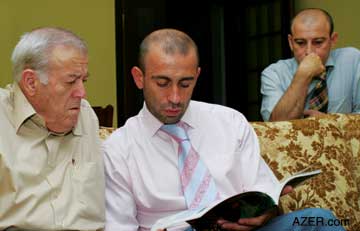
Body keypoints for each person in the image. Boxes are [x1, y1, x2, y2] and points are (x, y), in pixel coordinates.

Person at [103, 28, 344, 231]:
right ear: (138, 78)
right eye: (162, 83)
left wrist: (264, 213)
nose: (175, 97)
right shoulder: (119, 149)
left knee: (318, 220)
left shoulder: (229, 121)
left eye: (185, 84)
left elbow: (262, 191)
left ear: (197, 76)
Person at [0, 27, 105, 230]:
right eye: (70, 81)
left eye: (84, 80)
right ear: (31, 82)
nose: (82, 93)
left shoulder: (86, 115)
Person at [260, 8, 360, 121]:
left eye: (318, 42)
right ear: (291, 42)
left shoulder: (353, 60)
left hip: (343, 139)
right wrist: (302, 75)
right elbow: (276, 127)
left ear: (332, 40)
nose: (309, 51)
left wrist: (329, 123)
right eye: (300, 43)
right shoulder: (274, 73)